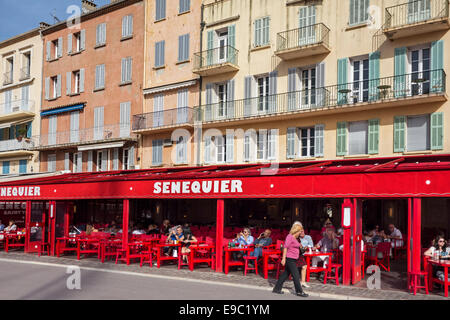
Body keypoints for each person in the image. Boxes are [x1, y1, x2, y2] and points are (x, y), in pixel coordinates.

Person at [272, 224, 308, 297]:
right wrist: (283, 258)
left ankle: (276, 288)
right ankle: (299, 291)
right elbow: (285, 248)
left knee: (285, 274)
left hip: (294, 259)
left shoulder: (295, 238)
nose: (300, 233)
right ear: (296, 231)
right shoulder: (289, 237)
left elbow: (296, 247)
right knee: (296, 275)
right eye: (300, 232)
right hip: (290, 259)